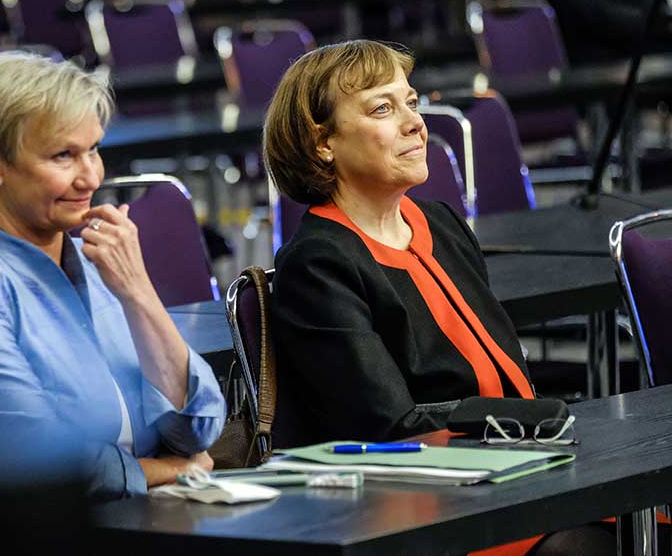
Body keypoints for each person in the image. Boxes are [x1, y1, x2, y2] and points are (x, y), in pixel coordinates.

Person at [265, 39, 619, 556]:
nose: (415, 122)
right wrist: (521, 426)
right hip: (438, 502)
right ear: (323, 143)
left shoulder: (441, 224)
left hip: (534, 467)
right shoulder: (318, 263)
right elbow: (388, 428)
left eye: (411, 101)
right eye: (383, 108)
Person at [0, 52, 225, 500]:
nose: (90, 177)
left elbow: (198, 427)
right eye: (63, 155)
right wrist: (168, 470)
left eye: (93, 149)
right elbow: (45, 467)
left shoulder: (102, 267)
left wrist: (137, 292)